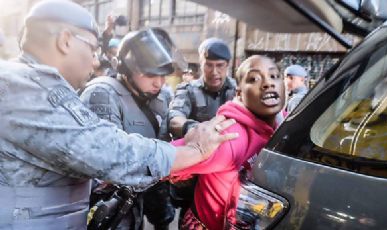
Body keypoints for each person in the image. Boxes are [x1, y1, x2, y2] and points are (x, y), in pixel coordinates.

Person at [0, 1, 237, 229]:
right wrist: (193, 151)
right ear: (65, 41)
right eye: (92, 48)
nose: (94, 61)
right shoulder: (26, 87)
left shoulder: (27, 83)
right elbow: (104, 152)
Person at [170, 55, 287, 230]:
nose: (268, 83)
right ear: (239, 93)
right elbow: (160, 158)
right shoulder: (230, 136)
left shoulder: (285, 125)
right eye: (254, 78)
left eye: (274, 76)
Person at [80, 28, 179, 230]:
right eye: (151, 74)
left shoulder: (160, 97)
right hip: (110, 204)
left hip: (141, 200)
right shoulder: (102, 95)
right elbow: (109, 164)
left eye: (163, 75)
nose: (159, 82)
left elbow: (162, 144)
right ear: (127, 68)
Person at [168, 37, 237, 139]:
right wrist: (197, 129)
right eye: (209, 65)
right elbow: (174, 120)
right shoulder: (188, 90)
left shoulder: (239, 91)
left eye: (220, 65)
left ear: (227, 65)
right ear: (201, 64)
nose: (214, 72)